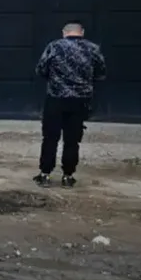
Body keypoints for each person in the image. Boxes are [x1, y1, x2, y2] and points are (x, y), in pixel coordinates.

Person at [33, 21, 106, 188]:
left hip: (56, 98)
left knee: (50, 137)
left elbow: (41, 70)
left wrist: (56, 80)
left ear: (64, 32)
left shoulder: (54, 46)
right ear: (82, 32)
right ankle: (68, 176)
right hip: (81, 100)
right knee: (72, 140)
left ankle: (45, 174)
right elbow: (101, 73)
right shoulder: (93, 48)